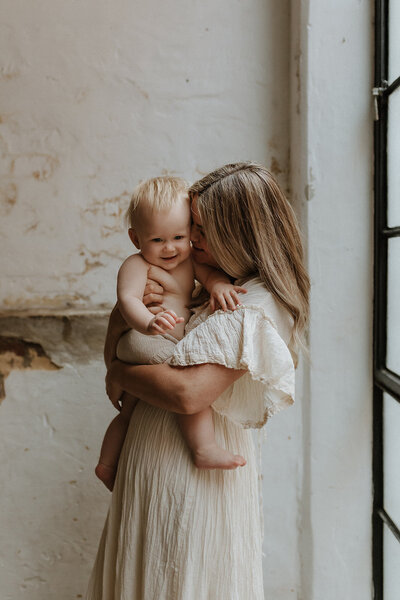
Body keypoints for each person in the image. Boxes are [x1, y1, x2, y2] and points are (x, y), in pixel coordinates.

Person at [86, 162, 310, 600]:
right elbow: (125, 328)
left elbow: (188, 394)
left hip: (189, 464)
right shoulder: (202, 283)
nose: (191, 242)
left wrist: (117, 372)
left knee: (184, 577)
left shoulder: (255, 301)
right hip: (154, 448)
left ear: (237, 232)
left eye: (200, 231)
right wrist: (125, 322)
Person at [95, 176, 247, 491]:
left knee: (131, 410)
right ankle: (203, 448)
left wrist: (219, 286)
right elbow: (128, 300)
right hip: (144, 339)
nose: (170, 248)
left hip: (158, 338)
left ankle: (107, 466)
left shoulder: (189, 259)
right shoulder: (135, 265)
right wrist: (147, 323)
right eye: (157, 240)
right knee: (184, 373)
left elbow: (210, 276)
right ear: (136, 239)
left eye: (179, 236)